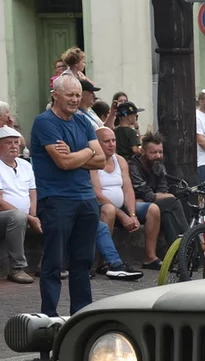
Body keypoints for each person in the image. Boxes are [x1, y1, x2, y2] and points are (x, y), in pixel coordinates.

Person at [29, 74, 105, 315]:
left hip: (86, 200)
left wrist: (75, 153)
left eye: (78, 95)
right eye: (70, 95)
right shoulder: (44, 123)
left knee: (82, 262)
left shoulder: (83, 121)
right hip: (56, 200)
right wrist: (86, 153)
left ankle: (81, 315)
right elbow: (62, 162)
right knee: (53, 263)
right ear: (55, 95)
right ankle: (48, 318)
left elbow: (101, 160)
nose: (75, 99)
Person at [90, 127, 155, 276]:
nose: (112, 144)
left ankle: (150, 257)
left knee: (153, 210)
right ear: (97, 143)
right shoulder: (93, 162)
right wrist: (122, 215)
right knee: (109, 210)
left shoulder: (120, 160)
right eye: (106, 141)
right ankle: (104, 262)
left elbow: (128, 189)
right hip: (102, 207)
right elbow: (97, 194)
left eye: (113, 140)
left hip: (122, 207)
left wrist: (132, 214)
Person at [127, 132, 187, 266]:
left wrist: (164, 196)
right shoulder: (133, 166)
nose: (158, 156)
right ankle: (186, 245)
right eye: (153, 152)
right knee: (172, 201)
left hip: (150, 204)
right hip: (133, 206)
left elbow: (162, 189)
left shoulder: (158, 165)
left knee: (167, 210)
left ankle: (179, 253)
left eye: (160, 152)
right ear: (142, 151)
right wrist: (167, 196)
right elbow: (147, 194)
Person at [0, 125, 40, 284]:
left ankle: (50, 264)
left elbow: (32, 193)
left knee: (59, 213)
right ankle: (17, 268)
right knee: (17, 217)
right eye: (8, 142)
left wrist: (34, 214)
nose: (14, 146)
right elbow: (0, 202)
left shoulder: (25, 165)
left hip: (26, 216)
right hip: (6, 217)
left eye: (16, 142)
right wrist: (28, 217)